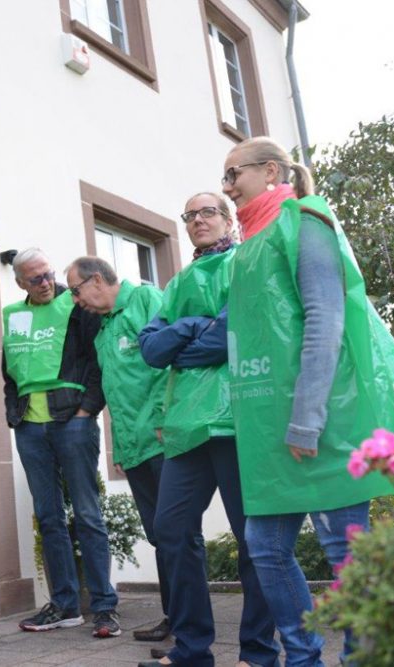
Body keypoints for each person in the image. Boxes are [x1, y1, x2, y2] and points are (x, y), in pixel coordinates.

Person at [220, 136, 394, 665]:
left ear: (270, 171)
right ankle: (304, 657)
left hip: (318, 418)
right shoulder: (248, 243)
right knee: (267, 549)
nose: (227, 188)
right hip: (269, 424)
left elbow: (325, 320)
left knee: (346, 551)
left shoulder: (307, 221)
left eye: (233, 175)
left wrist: (306, 419)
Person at [137, 193, 279, 667]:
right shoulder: (177, 282)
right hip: (185, 426)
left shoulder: (245, 263)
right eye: (189, 215)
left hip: (239, 418)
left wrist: (188, 337)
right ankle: (192, 649)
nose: (197, 220)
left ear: (228, 219)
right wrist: (194, 325)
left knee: (252, 538)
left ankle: (256, 652)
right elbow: (152, 350)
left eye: (207, 212)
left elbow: (227, 338)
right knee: (171, 530)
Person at [1, 248, 119, 638]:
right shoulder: (11, 315)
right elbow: (9, 373)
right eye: (36, 279)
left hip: (72, 420)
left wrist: (88, 411)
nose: (46, 282)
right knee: (48, 517)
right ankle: (66, 606)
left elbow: (97, 361)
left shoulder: (76, 305)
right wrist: (13, 415)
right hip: (29, 427)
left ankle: (104, 608)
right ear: (21, 283)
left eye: (48, 274)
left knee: (87, 514)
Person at [65, 256, 174, 645]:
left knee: (178, 535)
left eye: (76, 290)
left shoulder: (146, 300)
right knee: (161, 534)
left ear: (96, 280)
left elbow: (168, 363)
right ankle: (175, 617)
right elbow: (116, 389)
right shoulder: (102, 329)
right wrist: (122, 448)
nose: (75, 299)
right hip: (136, 449)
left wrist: (164, 419)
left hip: (163, 441)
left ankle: (190, 621)